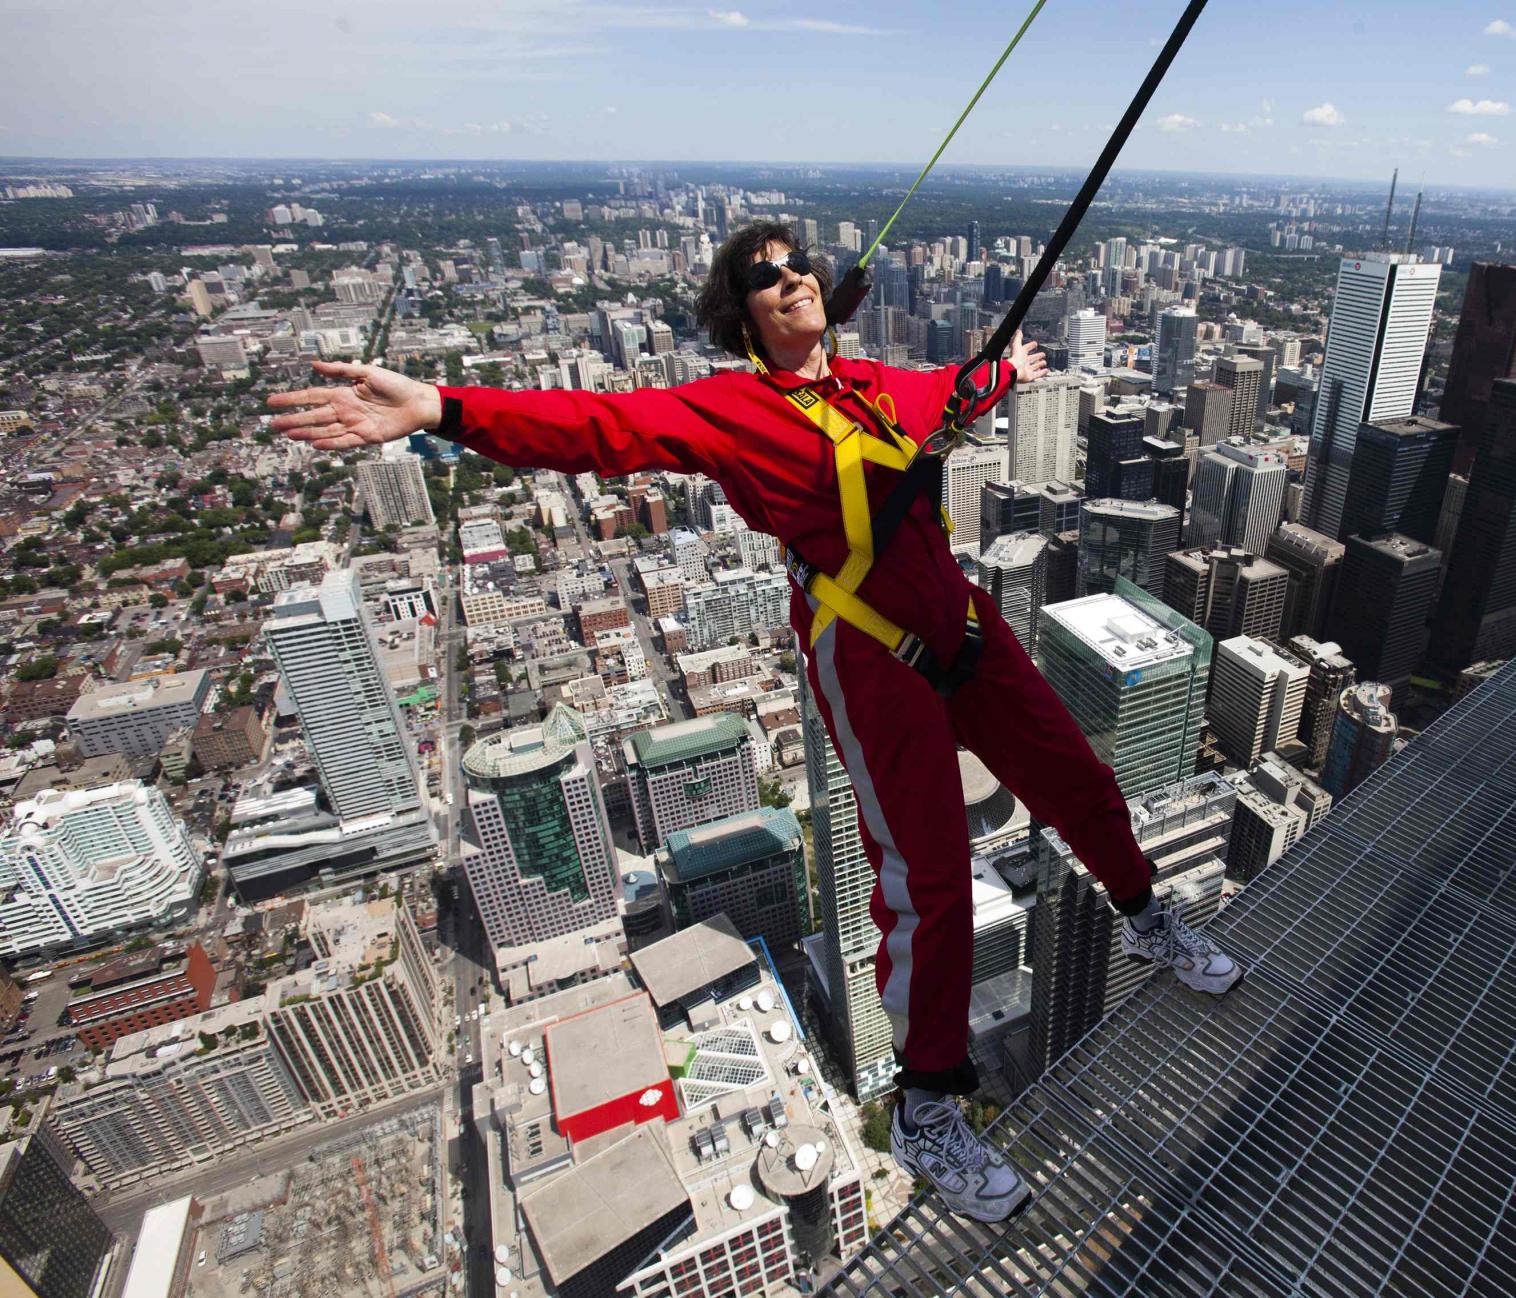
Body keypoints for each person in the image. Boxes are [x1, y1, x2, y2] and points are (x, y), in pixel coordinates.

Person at [269, 220, 1239, 1223]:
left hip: (957, 616)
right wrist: (442, 407)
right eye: (761, 278)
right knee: (930, 876)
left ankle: (1146, 917)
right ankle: (926, 1107)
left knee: (1076, 777)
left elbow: (951, 395)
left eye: (795, 265)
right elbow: (600, 425)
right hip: (868, 650)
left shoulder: (880, 386)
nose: (787, 281)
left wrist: (1007, 373)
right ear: (743, 317)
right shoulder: (728, 410)